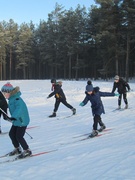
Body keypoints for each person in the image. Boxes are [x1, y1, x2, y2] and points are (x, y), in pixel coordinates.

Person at [1, 82, 32, 158]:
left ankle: (27, 150)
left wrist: (13, 116)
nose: (4, 95)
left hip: (22, 120)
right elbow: (11, 107)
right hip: (16, 121)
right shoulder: (11, 99)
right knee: (11, 134)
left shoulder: (17, 99)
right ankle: (17, 149)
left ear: (9, 92)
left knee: (19, 136)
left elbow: (19, 109)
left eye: (5, 93)